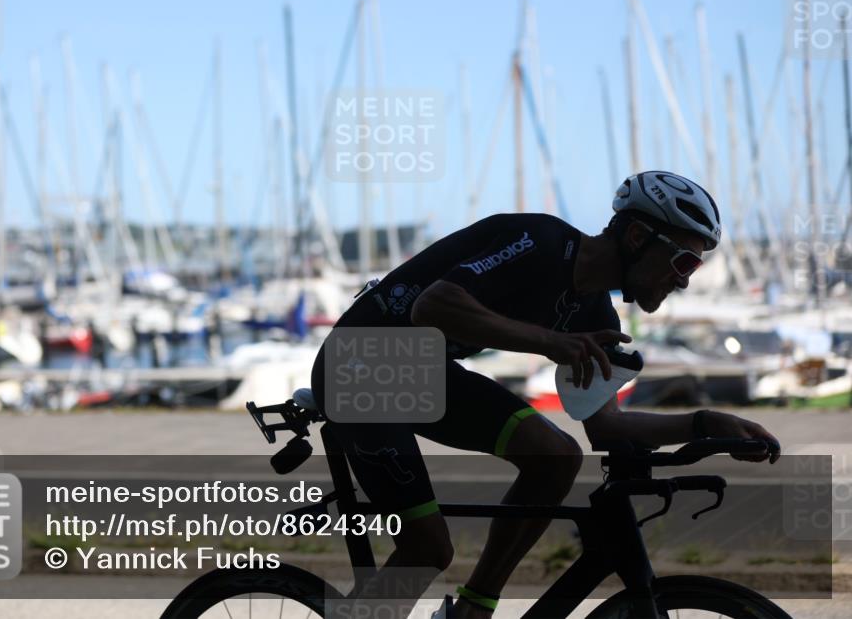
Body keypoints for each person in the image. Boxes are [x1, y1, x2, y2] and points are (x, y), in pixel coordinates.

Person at [308, 170, 781, 618]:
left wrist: (702, 424)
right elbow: (434, 305)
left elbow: (607, 425)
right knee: (427, 547)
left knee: (557, 456)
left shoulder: (597, 317)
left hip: (421, 372)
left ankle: (475, 606)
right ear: (637, 238)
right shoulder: (540, 242)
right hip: (358, 365)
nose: (684, 279)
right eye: (685, 260)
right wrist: (553, 342)